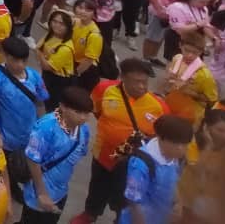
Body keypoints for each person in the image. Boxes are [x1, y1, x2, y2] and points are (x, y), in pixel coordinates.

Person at [71, 58, 168, 224]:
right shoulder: (104, 89)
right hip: (103, 154)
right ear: (122, 77)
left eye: (145, 82)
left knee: (124, 195)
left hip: (132, 163)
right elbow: (96, 111)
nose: (142, 87)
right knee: (97, 186)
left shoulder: (159, 106)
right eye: (136, 82)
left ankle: (120, 219)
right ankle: (90, 213)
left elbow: (162, 136)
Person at [0, 37, 49, 196]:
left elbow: (40, 104)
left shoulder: (35, 77)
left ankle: (13, 187)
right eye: (14, 60)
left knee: (17, 169)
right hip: (3, 138)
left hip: (27, 138)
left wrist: (42, 129)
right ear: (5, 55)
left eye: (23, 60)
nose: (20, 65)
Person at [20, 86, 94, 224]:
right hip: (38, 194)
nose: (83, 118)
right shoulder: (45, 128)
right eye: (78, 112)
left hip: (61, 191)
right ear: (63, 107)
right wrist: (41, 193)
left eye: (86, 113)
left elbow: (80, 154)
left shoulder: (83, 130)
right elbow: (32, 160)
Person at [118, 114, 194, 224]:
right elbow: (134, 202)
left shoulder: (174, 158)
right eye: (177, 143)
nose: (181, 148)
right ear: (161, 138)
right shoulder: (140, 164)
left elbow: (175, 181)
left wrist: (177, 203)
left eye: (185, 144)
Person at [176, 107, 225, 224]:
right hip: (192, 207)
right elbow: (198, 174)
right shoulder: (191, 146)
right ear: (206, 128)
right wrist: (208, 147)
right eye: (220, 130)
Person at [36, 10, 76, 111]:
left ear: (68, 27)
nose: (57, 25)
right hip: (48, 76)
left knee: (53, 106)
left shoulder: (65, 48)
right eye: (54, 21)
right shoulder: (51, 35)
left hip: (59, 81)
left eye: (61, 23)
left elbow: (47, 66)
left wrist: (39, 53)